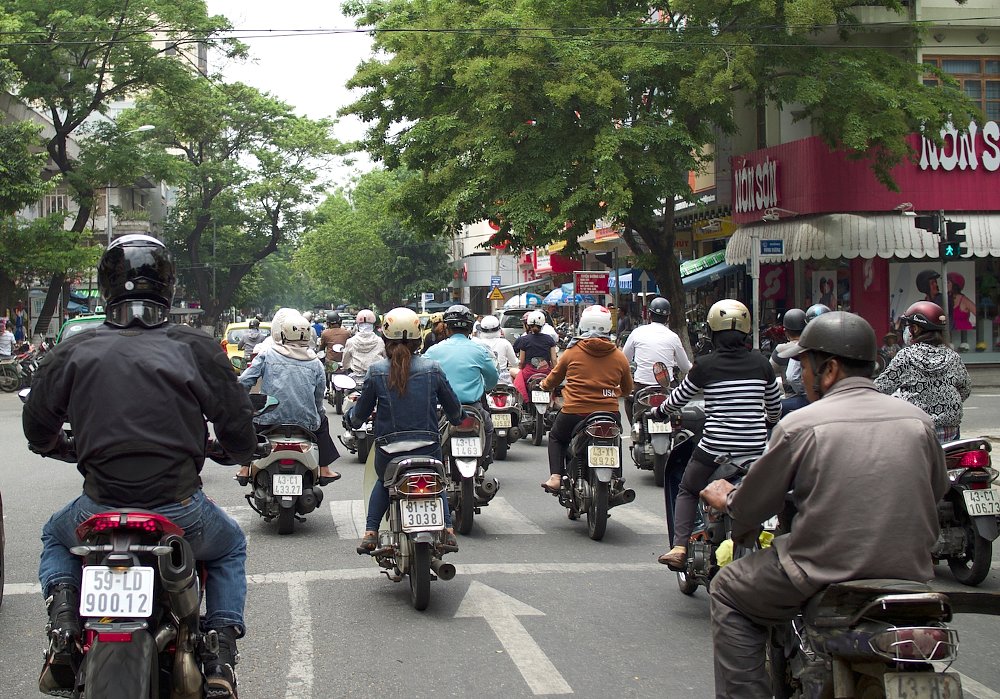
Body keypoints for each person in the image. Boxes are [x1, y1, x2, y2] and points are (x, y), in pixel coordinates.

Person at [22, 234, 257, 698]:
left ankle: (64, 626)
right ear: (168, 284)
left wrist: (65, 446)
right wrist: (233, 451)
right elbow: (237, 425)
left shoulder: (73, 349)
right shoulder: (198, 346)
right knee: (229, 548)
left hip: (99, 508)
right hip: (181, 511)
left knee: (54, 535)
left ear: (105, 285)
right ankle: (220, 654)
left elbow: (38, 432)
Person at [701, 311, 948, 698]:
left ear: (828, 368)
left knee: (727, 587)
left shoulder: (801, 424)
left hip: (821, 571)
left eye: (805, 365)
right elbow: (935, 492)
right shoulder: (919, 422)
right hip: (910, 575)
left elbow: (752, 508)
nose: (802, 376)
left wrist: (726, 497)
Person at [652, 299, 781, 570]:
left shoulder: (705, 365)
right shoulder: (762, 364)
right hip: (755, 450)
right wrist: (769, 421)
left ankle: (679, 547)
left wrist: (661, 411)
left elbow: (679, 397)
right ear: (746, 330)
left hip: (715, 450)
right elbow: (774, 406)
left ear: (711, 332)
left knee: (687, 488)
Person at [350, 307, 464, 553]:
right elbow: (454, 410)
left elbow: (359, 415)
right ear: (418, 337)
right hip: (428, 448)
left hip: (389, 452)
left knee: (383, 481)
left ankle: (371, 533)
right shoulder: (433, 369)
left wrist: (352, 420)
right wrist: (458, 417)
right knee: (437, 480)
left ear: (386, 337)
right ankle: (448, 529)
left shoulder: (376, 371)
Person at [236, 312, 340, 484]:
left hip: (268, 420)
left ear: (282, 334)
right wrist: (316, 413)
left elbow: (246, 381)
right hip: (306, 422)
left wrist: (238, 400)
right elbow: (318, 397)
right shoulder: (315, 363)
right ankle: (325, 469)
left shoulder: (267, 355)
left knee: (249, 425)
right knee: (323, 421)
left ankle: (244, 467)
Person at [540, 305, 633, 493]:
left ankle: (556, 476)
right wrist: (612, 393)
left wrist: (544, 385)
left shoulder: (572, 352)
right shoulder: (619, 356)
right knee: (615, 440)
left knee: (557, 437)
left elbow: (554, 378)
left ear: (582, 324)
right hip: (609, 413)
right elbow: (627, 388)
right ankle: (616, 479)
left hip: (575, 412)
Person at [874, 301, 972, 442]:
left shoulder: (906, 355)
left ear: (915, 329)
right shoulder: (953, 356)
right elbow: (965, 389)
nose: (906, 331)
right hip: (950, 434)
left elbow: (881, 388)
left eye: (908, 327)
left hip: (916, 433)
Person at [424, 304, 499, 460]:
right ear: (471, 328)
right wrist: (485, 387)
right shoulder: (480, 351)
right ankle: (484, 461)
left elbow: (422, 378)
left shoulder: (433, 351)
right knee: (488, 427)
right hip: (474, 408)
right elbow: (492, 378)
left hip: (440, 409)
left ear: (447, 328)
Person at [621, 297, 692, 425]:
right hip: (666, 387)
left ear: (649, 315)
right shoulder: (673, 337)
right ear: (668, 317)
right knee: (678, 404)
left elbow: (623, 359)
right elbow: (685, 367)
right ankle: (676, 431)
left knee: (628, 399)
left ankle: (634, 428)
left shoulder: (637, 333)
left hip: (641, 386)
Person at [512, 310, 558, 402]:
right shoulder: (549, 339)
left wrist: (521, 368)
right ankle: (554, 401)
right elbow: (554, 360)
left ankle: (519, 400)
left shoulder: (524, 340)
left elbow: (521, 362)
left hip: (528, 373)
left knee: (511, 371)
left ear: (528, 324)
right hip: (545, 372)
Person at [771, 308, 808, 416]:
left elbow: (769, 373)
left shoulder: (781, 349)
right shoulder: (813, 346)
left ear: (786, 331)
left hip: (793, 399)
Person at [475, 314, 519, 385]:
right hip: (503, 379)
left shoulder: (477, 343)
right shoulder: (505, 342)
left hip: (484, 377)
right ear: (499, 329)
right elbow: (514, 363)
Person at [341, 309, 386, 380]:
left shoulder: (350, 341)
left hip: (356, 379)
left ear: (358, 325)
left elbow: (345, 363)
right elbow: (386, 358)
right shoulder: (380, 341)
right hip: (376, 377)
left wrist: (345, 367)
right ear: (373, 325)